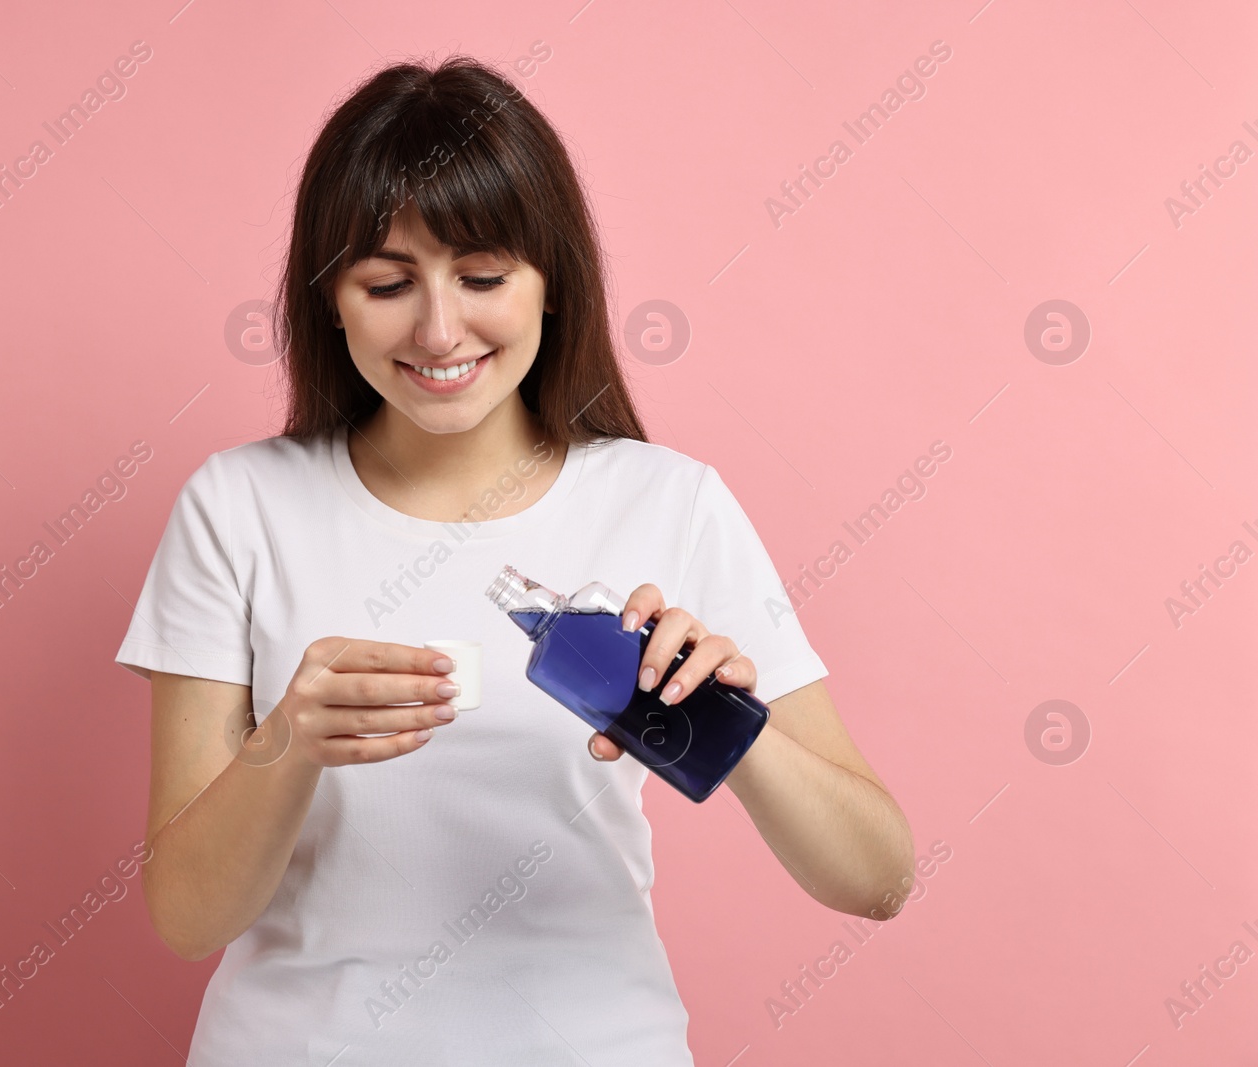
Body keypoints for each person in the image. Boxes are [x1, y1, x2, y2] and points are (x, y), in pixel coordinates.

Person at [114, 54, 913, 1066]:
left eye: (484, 276)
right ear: (329, 299)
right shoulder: (238, 507)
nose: (440, 329)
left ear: (550, 284)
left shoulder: (668, 502)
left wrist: (725, 723)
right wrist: (289, 741)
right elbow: (186, 917)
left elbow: (874, 878)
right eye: (387, 282)